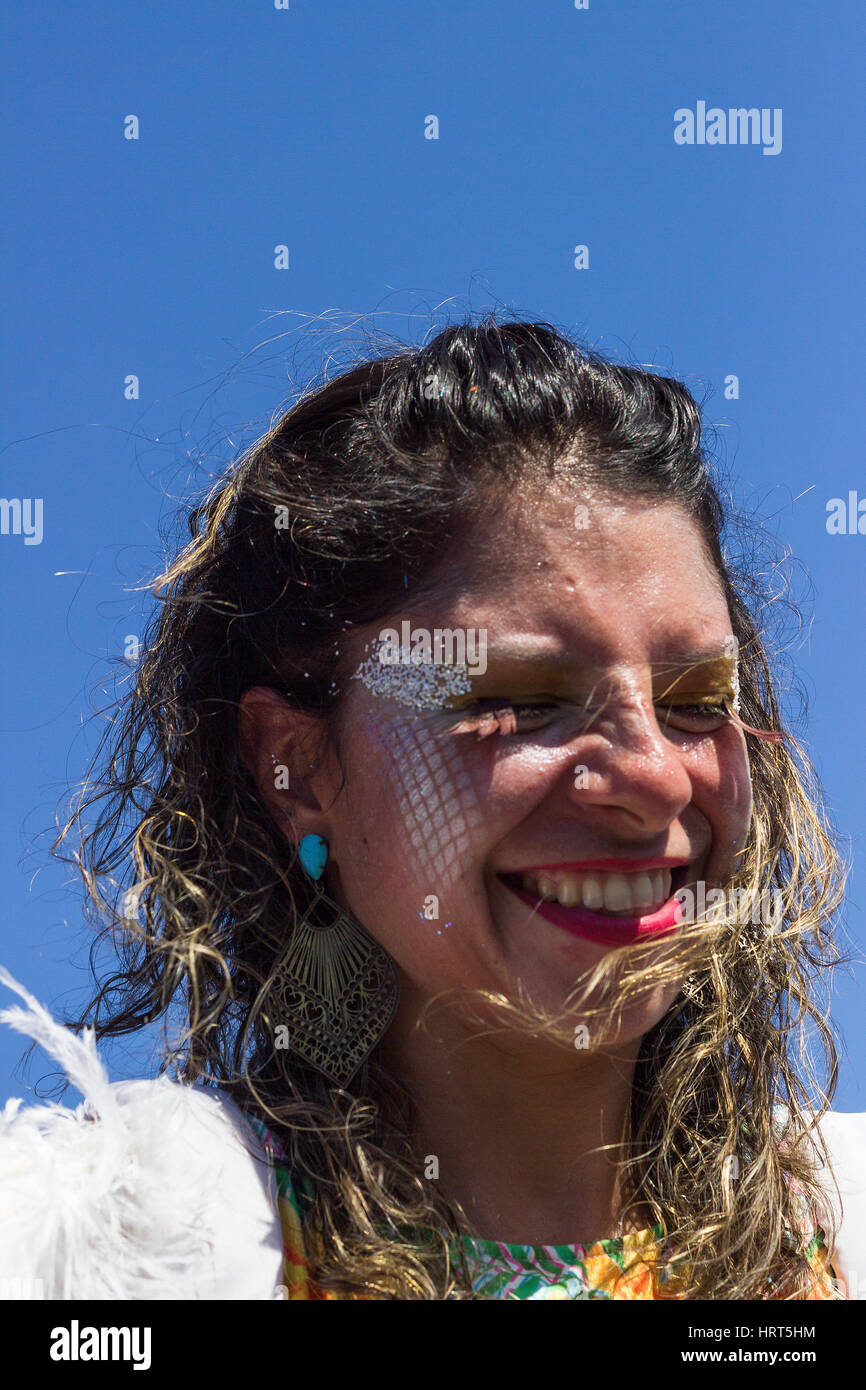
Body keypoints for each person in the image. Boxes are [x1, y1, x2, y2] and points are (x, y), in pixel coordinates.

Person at [1, 318, 863, 1301]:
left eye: (696, 702)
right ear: (298, 769)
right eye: (522, 698)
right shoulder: (137, 1255)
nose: (657, 778)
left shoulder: (835, 1229)